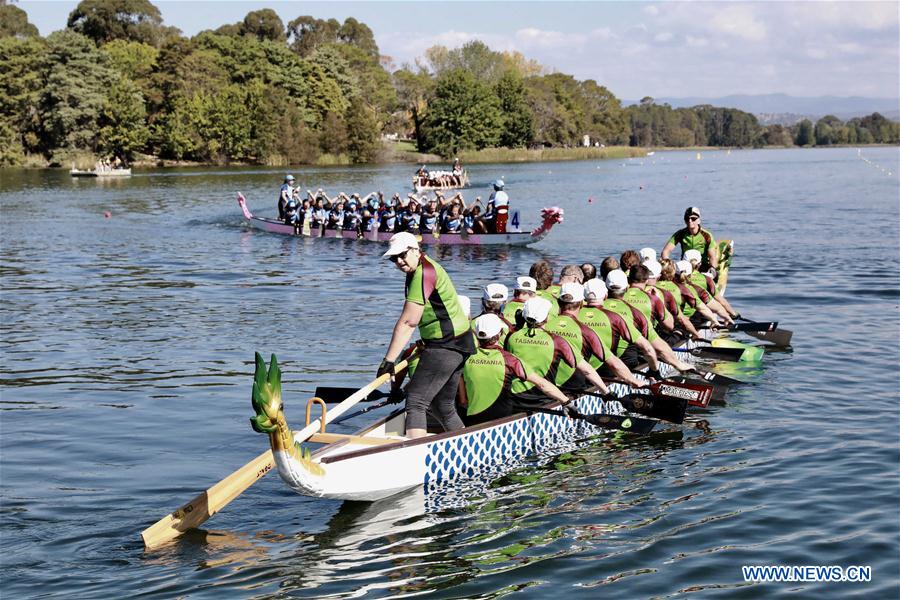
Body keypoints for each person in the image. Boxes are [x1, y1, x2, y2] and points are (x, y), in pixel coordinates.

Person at [379, 232, 475, 439]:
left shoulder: (424, 272)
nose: (399, 261)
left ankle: (417, 456)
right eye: (393, 258)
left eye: (402, 255)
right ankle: (465, 444)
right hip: (460, 342)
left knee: (415, 402)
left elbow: (408, 322)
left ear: (415, 250)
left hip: (447, 344)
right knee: (443, 405)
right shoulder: (420, 268)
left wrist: (388, 361)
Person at [459, 314, 572, 426]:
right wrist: (566, 401)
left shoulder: (465, 358)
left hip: (472, 420)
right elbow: (542, 384)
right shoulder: (510, 360)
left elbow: (463, 401)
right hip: (504, 421)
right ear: (500, 334)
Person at [545, 283, 646, 390]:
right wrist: (633, 380)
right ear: (581, 303)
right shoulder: (586, 331)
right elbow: (613, 363)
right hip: (574, 388)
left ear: (558, 302)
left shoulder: (545, 325)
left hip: (545, 388)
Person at [604, 269, 695, 373]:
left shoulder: (586, 309)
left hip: (597, 365)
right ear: (626, 287)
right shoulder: (635, 312)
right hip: (627, 361)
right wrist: (677, 364)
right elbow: (655, 346)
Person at [579, 279, 661, 377]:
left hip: (581, 370)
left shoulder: (575, 315)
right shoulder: (615, 317)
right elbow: (647, 348)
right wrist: (654, 370)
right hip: (608, 369)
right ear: (605, 296)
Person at [684, 249, 740, 318]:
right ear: (700, 263)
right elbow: (721, 301)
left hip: (675, 316)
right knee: (712, 304)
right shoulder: (706, 278)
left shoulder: (674, 277)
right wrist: (734, 314)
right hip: (697, 316)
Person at [661, 207, 718, 273]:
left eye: (693, 218)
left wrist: (713, 271)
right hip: (685, 266)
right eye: (687, 219)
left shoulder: (707, 235)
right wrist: (669, 268)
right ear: (685, 221)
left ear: (699, 220)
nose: (690, 221)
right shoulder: (680, 234)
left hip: (702, 266)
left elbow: (712, 258)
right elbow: (665, 252)